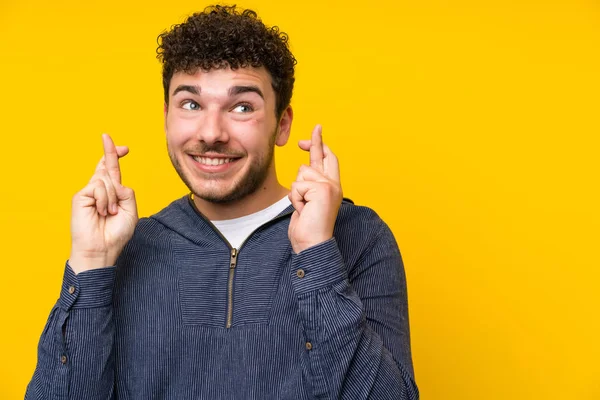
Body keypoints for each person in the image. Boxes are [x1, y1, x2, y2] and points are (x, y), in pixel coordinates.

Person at [26, 5, 418, 399]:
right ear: (166, 117)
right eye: (191, 104)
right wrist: (91, 263)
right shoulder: (123, 248)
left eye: (242, 107)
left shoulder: (357, 236)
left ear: (282, 124)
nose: (211, 132)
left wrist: (316, 254)